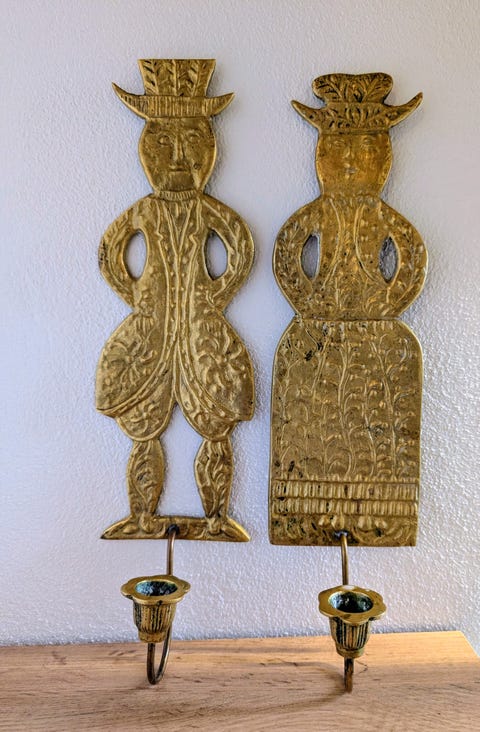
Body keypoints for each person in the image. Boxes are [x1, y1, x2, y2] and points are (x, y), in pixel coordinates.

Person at [97, 60, 254, 541]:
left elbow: (239, 251)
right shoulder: (145, 210)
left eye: (192, 142)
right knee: (143, 424)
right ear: (148, 147)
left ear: (207, 147)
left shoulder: (210, 210)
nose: (179, 157)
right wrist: (141, 298)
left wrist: (211, 298)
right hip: (151, 331)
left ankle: (215, 518)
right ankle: (142, 516)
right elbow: (112, 256)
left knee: (216, 421)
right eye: (164, 143)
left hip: (202, 330)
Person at [270, 73, 427, 547]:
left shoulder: (383, 216)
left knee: (375, 419)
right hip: (315, 333)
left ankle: (381, 511)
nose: (353, 161)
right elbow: (289, 258)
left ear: (384, 155)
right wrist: (314, 307)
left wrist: (381, 309)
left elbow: (410, 264)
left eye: (367, 148)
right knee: (313, 415)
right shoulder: (317, 214)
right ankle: (303, 507)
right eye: (340, 148)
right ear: (323, 154)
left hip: (379, 334)